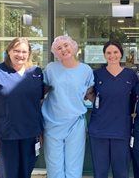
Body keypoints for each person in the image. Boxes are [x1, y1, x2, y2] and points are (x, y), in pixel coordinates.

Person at [0, 37, 44, 178]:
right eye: (16, 51)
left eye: (24, 52)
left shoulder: (36, 73)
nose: (20, 55)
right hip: (6, 136)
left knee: (26, 173)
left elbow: (38, 104)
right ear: (9, 51)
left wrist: (40, 132)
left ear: (29, 54)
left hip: (30, 135)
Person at [42, 35, 94, 178]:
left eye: (66, 45)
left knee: (74, 166)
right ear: (55, 53)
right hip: (53, 123)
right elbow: (41, 92)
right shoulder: (51, 69)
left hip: (75, 123)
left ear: (74, 46)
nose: (63, 49)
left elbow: (90, 94)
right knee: (54, 166)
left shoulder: (86, 70)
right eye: (59, 48)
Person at [88, 40, 139, 178]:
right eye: (108, 53)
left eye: (115, 52)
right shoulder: (96, 74)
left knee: (121, 173)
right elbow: (89, 94)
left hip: (122, 131)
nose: (112, 55)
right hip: (99, 131)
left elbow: (137, 99)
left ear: (121, 54)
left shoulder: (130, 75)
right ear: (104, 55)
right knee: (100, 173)